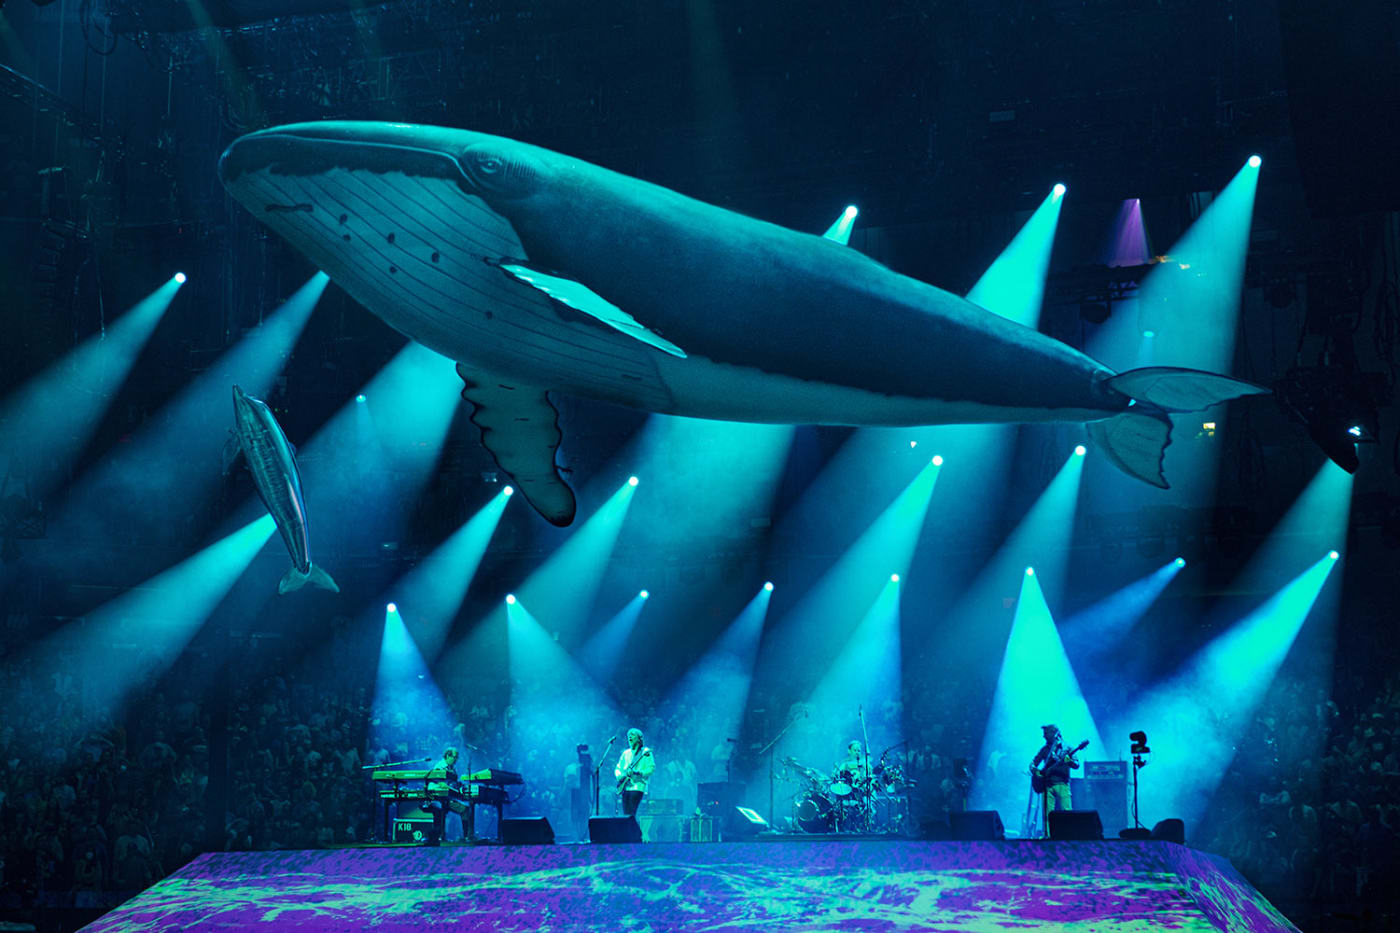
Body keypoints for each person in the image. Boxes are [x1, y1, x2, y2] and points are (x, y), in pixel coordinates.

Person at [1031, 724, 1080, 821]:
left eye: (1046, 733)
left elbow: (1076, 764)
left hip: (1062, 784)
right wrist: (1036, 772)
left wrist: (1068, 761)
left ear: (1054, 733)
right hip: (1047, 785)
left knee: (1067, 812)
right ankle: (1049, 836)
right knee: (1047, 815)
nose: (1043, 736)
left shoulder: (1067, 747)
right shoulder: (1044, 749)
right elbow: (1033, 764)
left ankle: (1069, 835)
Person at [424, 746, 471, 844]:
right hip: (438, 798)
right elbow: (437, 784)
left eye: (457, 758)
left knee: (466, 807)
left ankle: (463, 836)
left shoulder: (451, 768)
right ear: (448, 756)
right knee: (465, 810)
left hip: (447, 797)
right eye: (454, 757)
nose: (456, 760)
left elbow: (451, 784)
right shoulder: (439, 767)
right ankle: (467, 836)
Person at [614, 728, 654, 818]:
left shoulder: (645, 752)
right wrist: (620, 776)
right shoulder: (625, 753)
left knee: (632, 812)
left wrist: (640, 773)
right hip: (625, 786)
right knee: (626, 814)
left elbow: (651, 768)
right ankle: (630, 830)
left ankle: (634, 831)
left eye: (632, 734)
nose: (630, 736)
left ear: (639, 738)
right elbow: (618, 768)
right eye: (629, 735)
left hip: (637, 786)